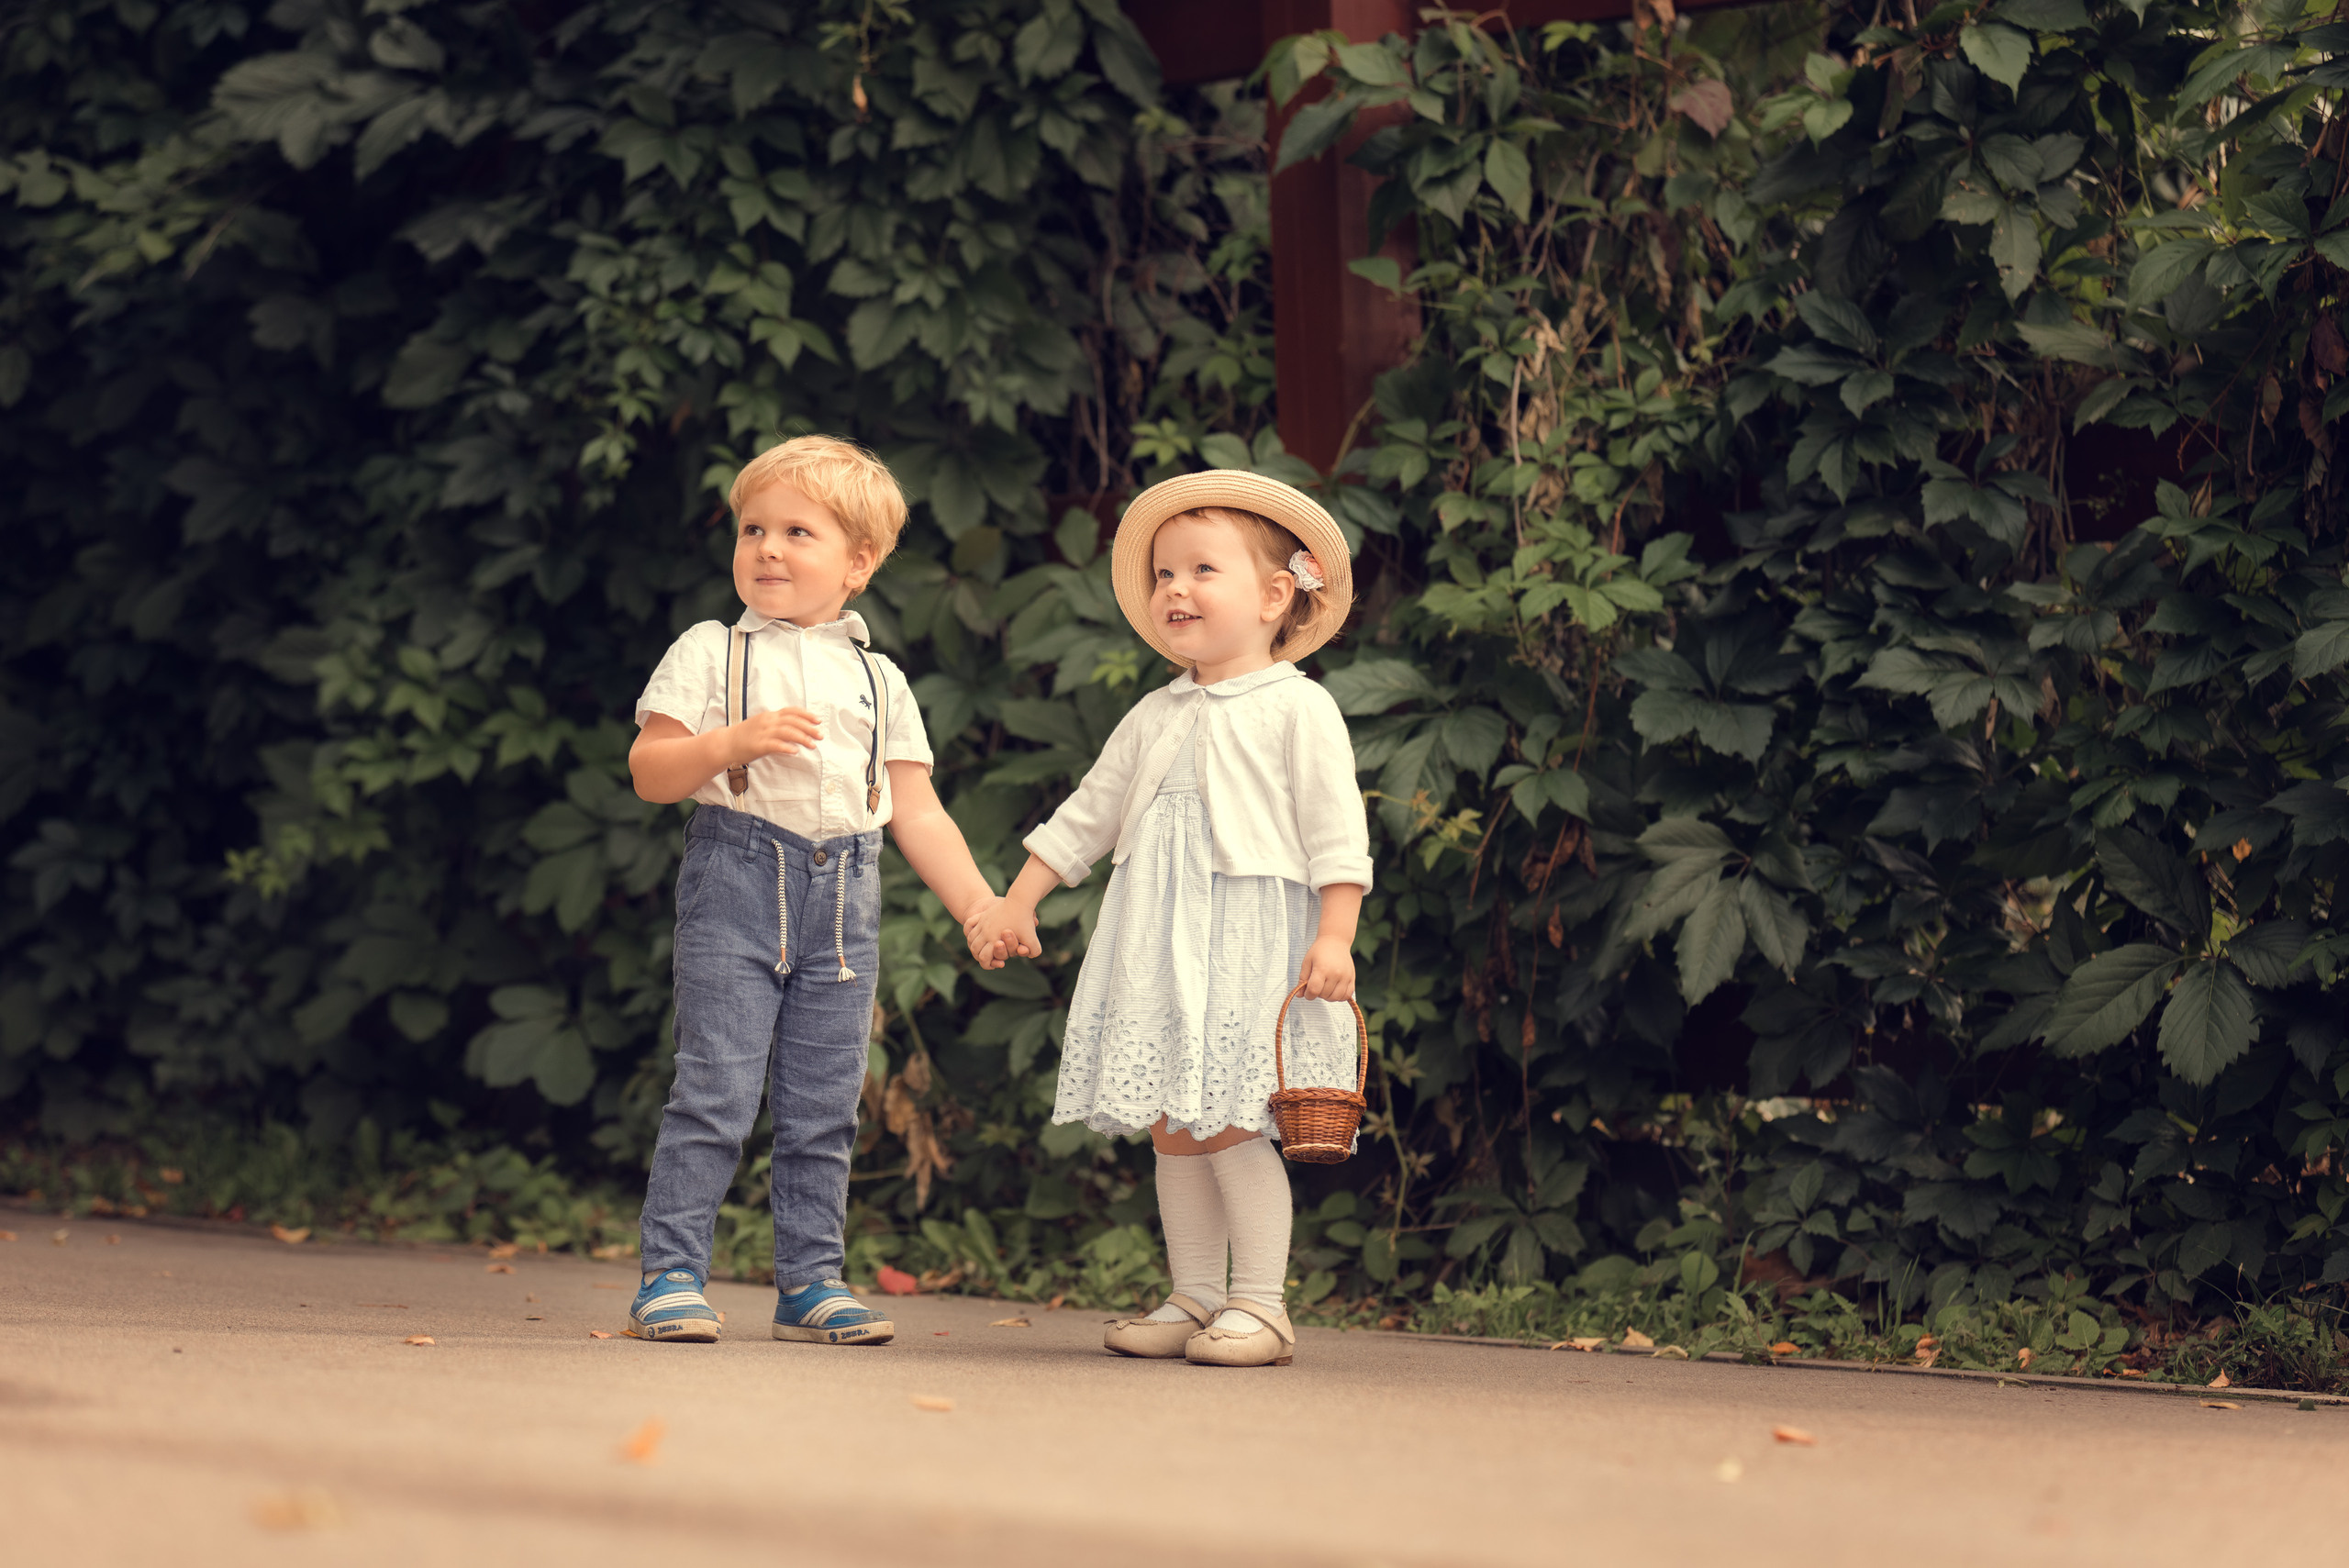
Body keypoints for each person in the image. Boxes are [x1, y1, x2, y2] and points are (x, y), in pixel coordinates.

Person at [966, 470, 1369, 1368]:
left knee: (1228, 1117)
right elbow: (1089, 811)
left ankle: (1260, 1304)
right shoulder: (1153, 712)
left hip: (1248, 940)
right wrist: (1018, 898)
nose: (1174, 589)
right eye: (1162, 574)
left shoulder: (1298, 706)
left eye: (1200, 570)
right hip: (1158, 937)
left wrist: (1334, 934)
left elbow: (1338, 831)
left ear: (1274, 596)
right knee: (1173, 1123)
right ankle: (1193, 1293)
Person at [625, 435, 1009, 1344]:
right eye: (752, 527)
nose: (767, 548)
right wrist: (728, 744)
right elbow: (649, 768)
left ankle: (810, 1279)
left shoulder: (879, 678)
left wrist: (978, 904)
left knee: (824, 1102)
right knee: (715, 1089)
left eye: (798, 531)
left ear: (859, 563)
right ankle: (672, 1275)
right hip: (736, 877)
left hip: (846, 894)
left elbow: (915, 809)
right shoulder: (711, 650)